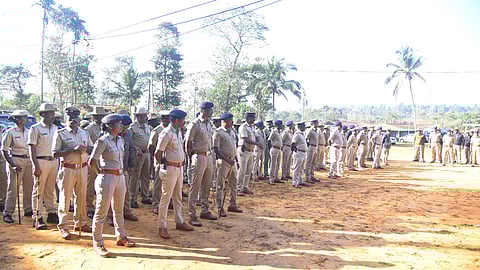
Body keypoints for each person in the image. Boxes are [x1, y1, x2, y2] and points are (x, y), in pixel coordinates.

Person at [90, 114, 136, 257]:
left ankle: (121, 236)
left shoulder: (121, 140)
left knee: (118, 208)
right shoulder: (103, 141)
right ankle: (98, 242)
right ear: (110, 126)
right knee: (101, 211)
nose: (121, 126)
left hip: (120, 176)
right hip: (107, 177)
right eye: (118, 124)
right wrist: (101, 174)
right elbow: (92, 161)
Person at [52, 107, 93, 239]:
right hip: (68, 168)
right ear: (66, 118)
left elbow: (91, 147)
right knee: (65, 198)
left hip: (82, 167)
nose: (73, 120)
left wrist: (85, 148)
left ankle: (81, 222)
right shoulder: (60, 133)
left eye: (75, 118)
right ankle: (63, 226)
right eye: (70, 118)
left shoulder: (84, 133)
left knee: (81, 196)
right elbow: (55, 153)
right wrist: (71, 149)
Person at [155, 109, 194, 239]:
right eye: (182, 120)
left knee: (178, 196)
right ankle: (162, 226)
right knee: (165, 198)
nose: (184, 122)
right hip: (170, 168)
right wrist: (163, 165)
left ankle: (179, 221)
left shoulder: (178, 132)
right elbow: (158, 153)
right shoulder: (166, 133)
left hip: (179, 168)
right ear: (177, 120)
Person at [185, 101, 218, 227]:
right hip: (198, 156)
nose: (211, 112)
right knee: (195, 186)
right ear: (204, 110)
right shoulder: (195, 124)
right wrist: (192, 156)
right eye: (209, 110)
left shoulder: (209, 124)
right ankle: (192, 214)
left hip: (209, 155)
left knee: (207, 184)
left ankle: (205, 210)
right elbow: (188, 143)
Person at [28, 103, 59, 230]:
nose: (52, 115)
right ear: (42, 114)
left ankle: (51, 212)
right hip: (41, 161)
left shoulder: (56, 128)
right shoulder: (35, 128)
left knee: (50, 189)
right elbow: (32, 148)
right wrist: (35, 165)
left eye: (52, 113)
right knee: (38, 190)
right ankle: (37, 216)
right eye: (49, 113)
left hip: (53, 161)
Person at [1, 110, 34, 224]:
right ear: (17, 119)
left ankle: (28, 209)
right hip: (15, 160)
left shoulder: (30, 131)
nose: (25, 120)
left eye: (25, 117)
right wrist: (12, 165)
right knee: (13, 188)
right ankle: (8, 212)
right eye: (23, 118)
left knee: (29, 187)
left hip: (28, 160)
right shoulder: (10, 132)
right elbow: (4, 150)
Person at [106, 114, 139, 226]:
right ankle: (110, 215)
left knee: (126, 192)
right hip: (111, 170)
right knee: (111, 194)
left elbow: (131, 148)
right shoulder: (109, 137)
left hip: (123, 167)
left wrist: (131, 164)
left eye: (126, 127)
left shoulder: (128, 134)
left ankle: (127, 211)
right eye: (123, 126)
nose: (125, 129)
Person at [213, 113, 243, 217]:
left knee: (233, 183)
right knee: (221, 185)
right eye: (230, 120)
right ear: (224, 121)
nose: (232, 122)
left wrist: (236, 161)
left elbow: (234, 148)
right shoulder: (218, 132)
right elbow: (217, 149)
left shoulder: (232, 132)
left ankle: (232, 204)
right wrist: (227, 160)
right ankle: (220, 207)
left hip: (232, 161)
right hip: (223, 162)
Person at [85, 106, 106, 218]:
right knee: (91, 183)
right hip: (93, 158)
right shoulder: (89, 129)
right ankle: (89, 206)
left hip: (104, 159)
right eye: (97, 116)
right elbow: (88, 145)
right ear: (93, 117)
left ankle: (100, 206)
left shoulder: (106, 127)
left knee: (102, 184)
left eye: (101, 116)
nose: (99, 118)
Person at [148, 111, 170, 215]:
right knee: (158, 183)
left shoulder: (172, 130)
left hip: (170, 161)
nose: (166, 120)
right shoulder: (157, 131)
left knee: (168, 183)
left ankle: (166, 202)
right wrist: (157, 160)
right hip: (160, 160)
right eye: (164, 118)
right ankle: (156, 204)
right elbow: (151, 146)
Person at [129, 107, 152, 207]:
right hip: (137, 154)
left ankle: (145, 195)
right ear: (138, 116)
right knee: (135, 177)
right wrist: (136, 148)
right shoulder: (132, 127)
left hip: (146, 153)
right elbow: (129, 142)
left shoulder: (147, 126)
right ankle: (132, 198)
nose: (145, 117)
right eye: (143, 115)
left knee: (146, 176)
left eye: (145, 115)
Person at [237, 112, 261, 193]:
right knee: (242, 170)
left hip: (251, 151)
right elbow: (246, 139)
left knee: (248, 170)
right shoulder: (243, 127)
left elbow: (255, 137)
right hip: (244, 150)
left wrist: (257, 141)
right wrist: (257, 143)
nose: (254, 119)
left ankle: (245, 187)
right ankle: (238, 188)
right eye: (252, 118)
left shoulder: (252, 127)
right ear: (248, 118)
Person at [291, 122, 307, 188]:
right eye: (303, 126)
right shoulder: (297, 134)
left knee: (301, 168)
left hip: (303, 153)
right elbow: (293, 144)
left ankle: (300, 181)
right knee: (296, 168)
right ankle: (295, 182)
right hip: (298, 152)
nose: (305, 127)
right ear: (300, 127)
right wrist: (295, 151)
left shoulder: (302, 134)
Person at [268, 120, 283, 185]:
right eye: (280, 125)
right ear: (277, 125)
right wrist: (270, 148)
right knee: (273, 164)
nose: (281, 126)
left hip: (279, 149)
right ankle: (271, 178)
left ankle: (276, 177)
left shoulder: (280, 132)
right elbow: (269, 140)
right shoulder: (274, 132)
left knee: (278, 164)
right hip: (274, 148)